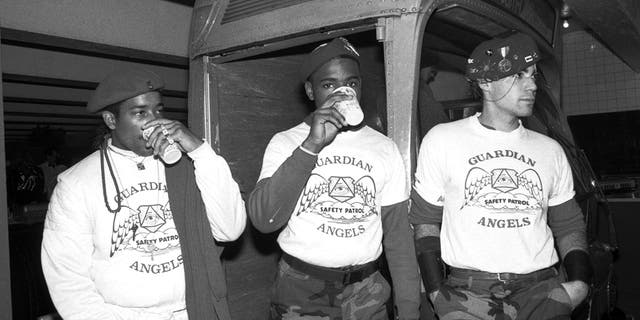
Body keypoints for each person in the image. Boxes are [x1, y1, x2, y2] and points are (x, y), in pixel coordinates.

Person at [410, 31, 592, 319]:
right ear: (484, 82)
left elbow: (568, 223)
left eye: (533, 75)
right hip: (469, 294)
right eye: (519, 75)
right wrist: (435, 292)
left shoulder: (550, 150)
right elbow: (424, 220)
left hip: (541, 291)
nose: (532, 85)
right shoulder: (443, 140)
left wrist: (580, 283)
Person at [41, 69, 246, 320]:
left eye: (158, 110)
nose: (154, 122)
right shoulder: (76, 183)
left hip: (193, 311)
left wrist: (200, 151)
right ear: (111, 120)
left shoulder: (188, 165)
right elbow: (67, 278)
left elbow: (230, 229)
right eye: (140, 113)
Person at [248, 37, 420, 319]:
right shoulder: (286, 142)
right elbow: (264, 219)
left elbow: (398, 236)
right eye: (329, 85)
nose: (342, 93)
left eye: (351, 83)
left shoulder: (383, 147)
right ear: (310, 91)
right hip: (300, 289)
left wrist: (410, 307)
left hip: (367, 291)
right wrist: (310, 146)